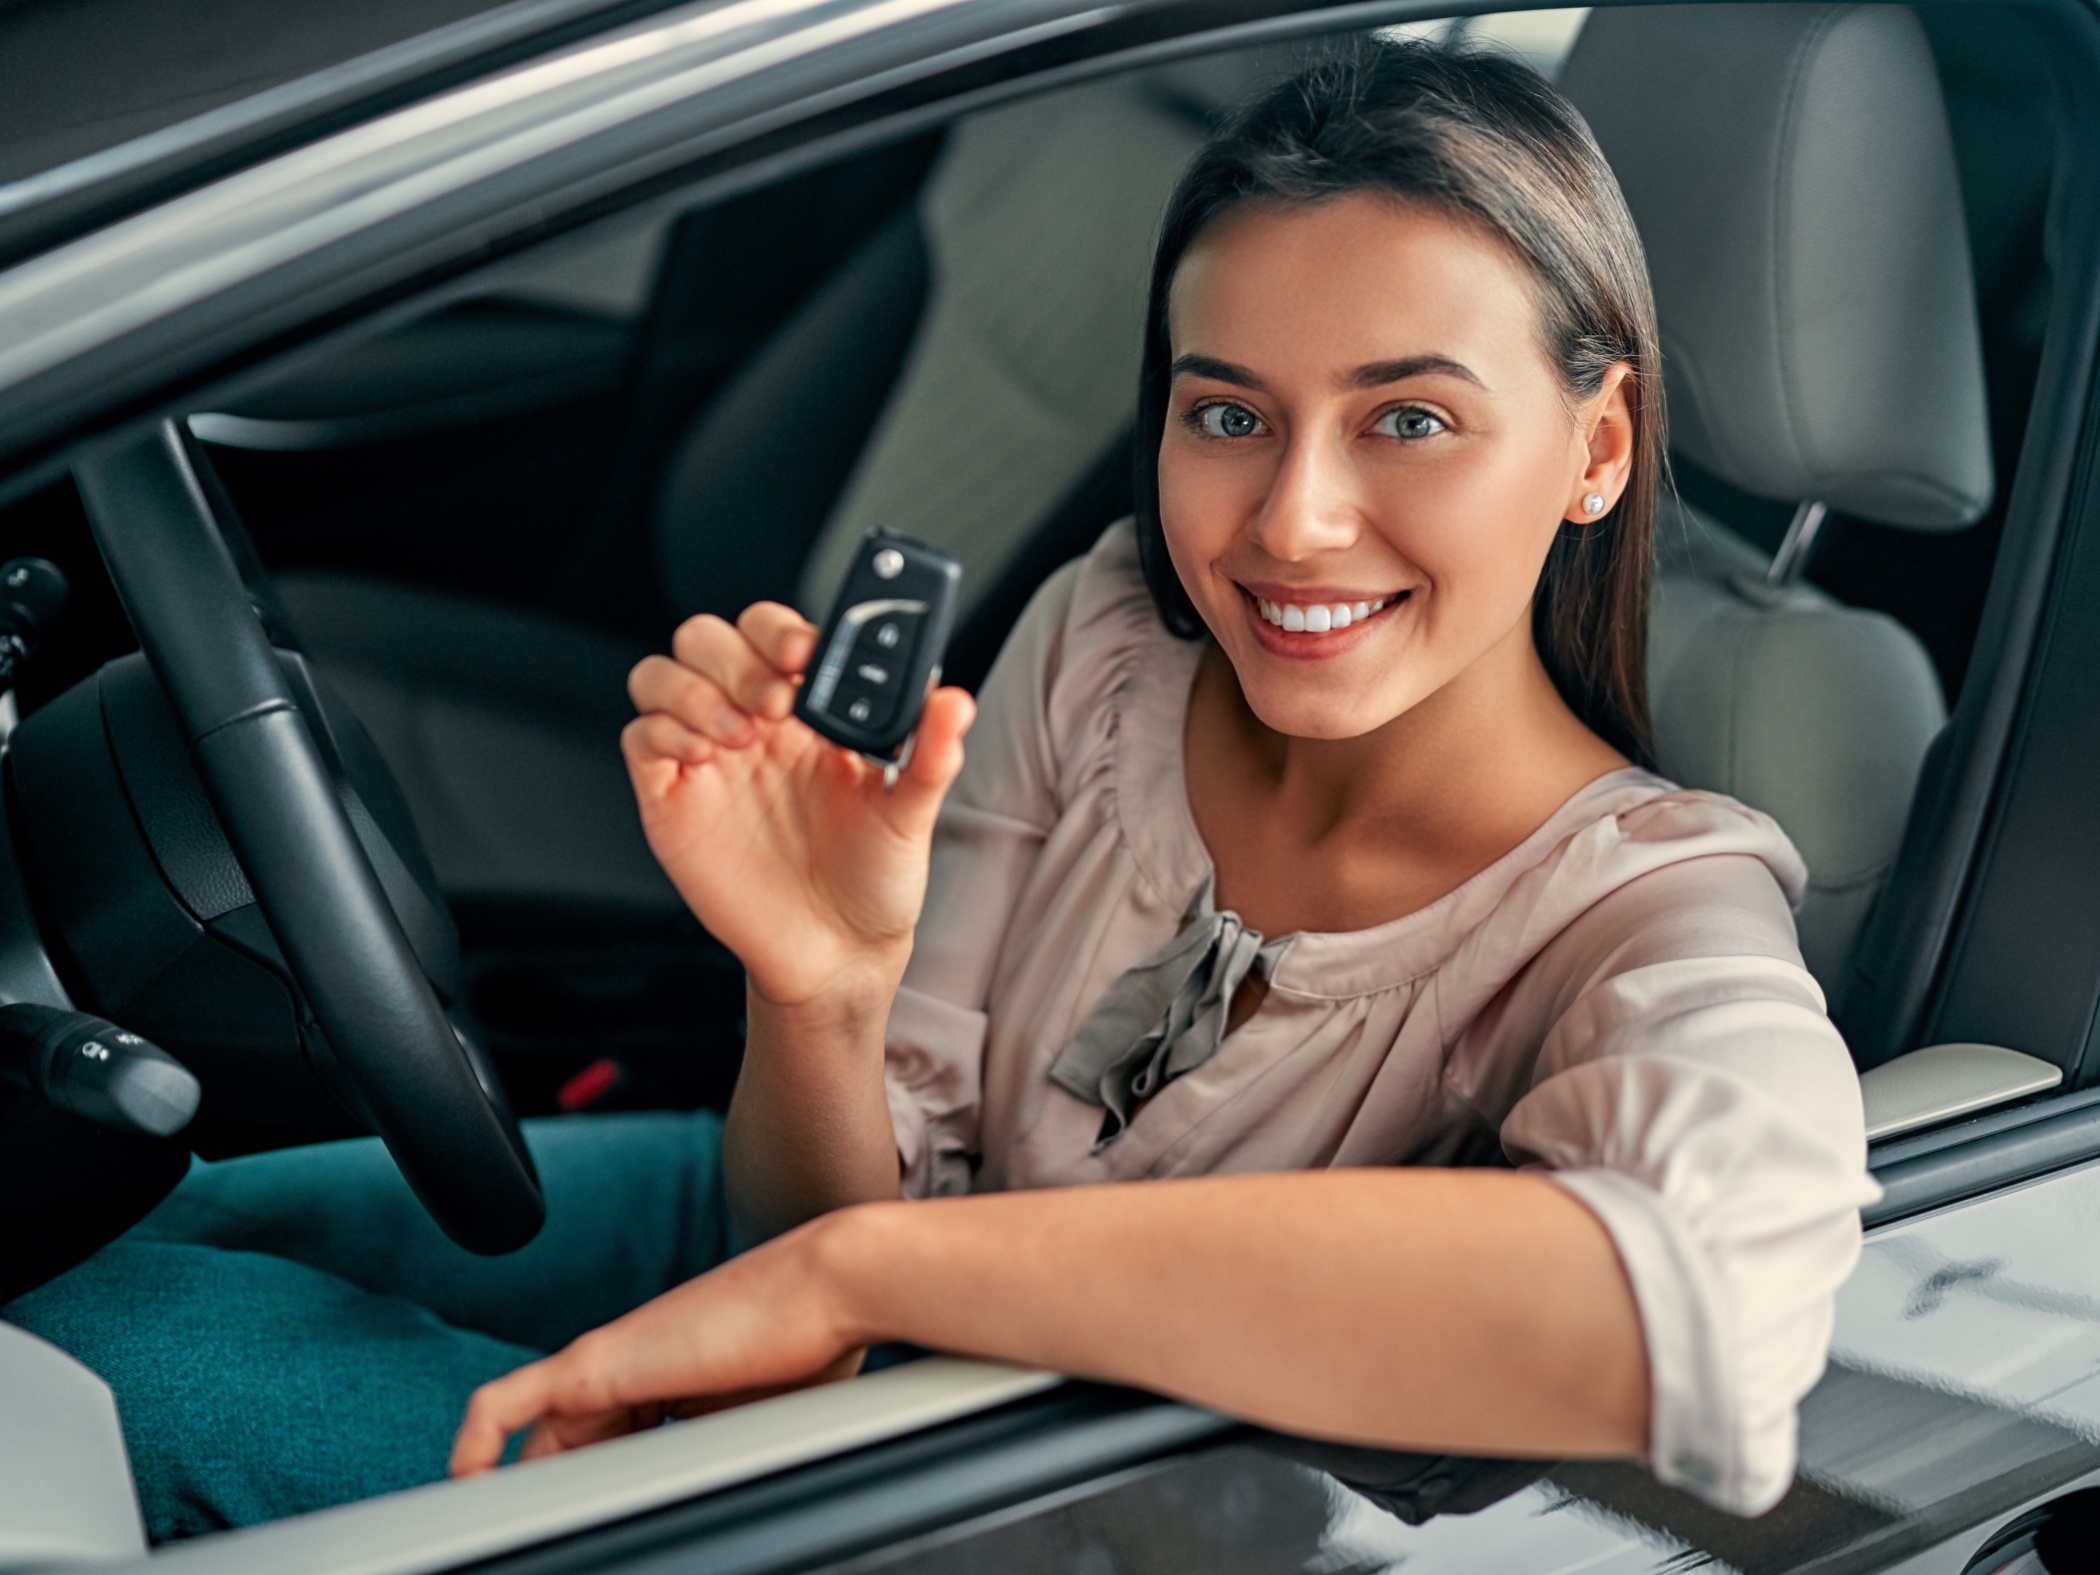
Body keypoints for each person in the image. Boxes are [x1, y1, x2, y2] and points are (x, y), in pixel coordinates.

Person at [449, 40, 1877, 1519]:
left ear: (1599, 446)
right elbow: (824, 1221)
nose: (1295, 522)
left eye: (1409, 419)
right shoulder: (1112, 635)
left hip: (1033, 1536)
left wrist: (855, 1278)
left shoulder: (1647, 913)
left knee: (186, 1369)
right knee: (201, 1239)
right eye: (1228, 414)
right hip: (854, 1374)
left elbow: (1701, 1314)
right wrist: (822, 991)